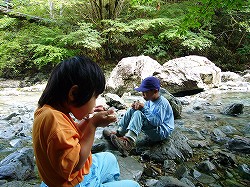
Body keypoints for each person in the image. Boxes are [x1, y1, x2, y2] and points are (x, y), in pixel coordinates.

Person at [32, 56, 140, 187]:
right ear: (74, 93)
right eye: (95, 97)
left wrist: (88, 119)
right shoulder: (55, 121)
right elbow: (76, 163)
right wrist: (93, 125)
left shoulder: (47, 112)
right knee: (133, 185)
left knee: (110, 158)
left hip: (56, 179)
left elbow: (69, 137)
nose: (95, 102)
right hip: (72, 183)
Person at [103, 76, 174, 156]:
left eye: (145, 92)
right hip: (154, 127)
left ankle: (128, 142)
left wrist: (142, 108)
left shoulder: (162, 104)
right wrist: (136, 107)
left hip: (161, 131)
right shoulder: (150, 100)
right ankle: (119, 133)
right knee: (132, 110)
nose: (142, 94)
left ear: (155, 91)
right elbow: (147, 113)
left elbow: (157, 122)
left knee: (138, 113)